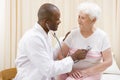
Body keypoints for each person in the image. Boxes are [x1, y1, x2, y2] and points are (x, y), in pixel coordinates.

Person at [14, 3, 89, 80]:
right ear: (46, 22)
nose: (60, 21)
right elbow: (48, 69)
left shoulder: (44, 34)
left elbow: (49, 56)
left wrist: (64, 40)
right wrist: (73, 57)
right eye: (57, 19)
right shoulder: (33, 38)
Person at [57, 2, 112, 80]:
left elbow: (108, 61)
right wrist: (70, 70)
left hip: (91, 73)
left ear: (93, 20)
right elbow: (60, 55)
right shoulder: (73, 34)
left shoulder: (102, 36)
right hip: (71, 72)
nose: (79, 21)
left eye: (82, 18)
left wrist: (86, 72)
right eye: (78, 17)